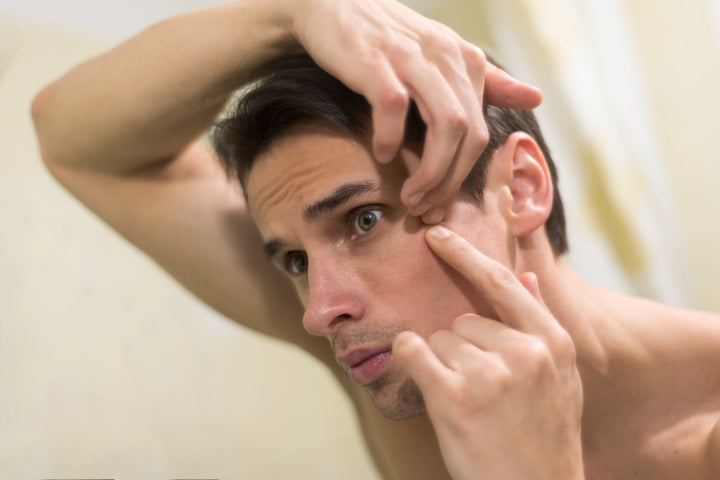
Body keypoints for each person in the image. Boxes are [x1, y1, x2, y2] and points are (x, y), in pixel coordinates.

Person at [30, 0, 720, 479]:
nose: (317, 310)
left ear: (521, 191)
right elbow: (77, 143)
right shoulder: (392, 357)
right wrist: (289, 18)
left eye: (363, 220)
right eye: (295, 260)